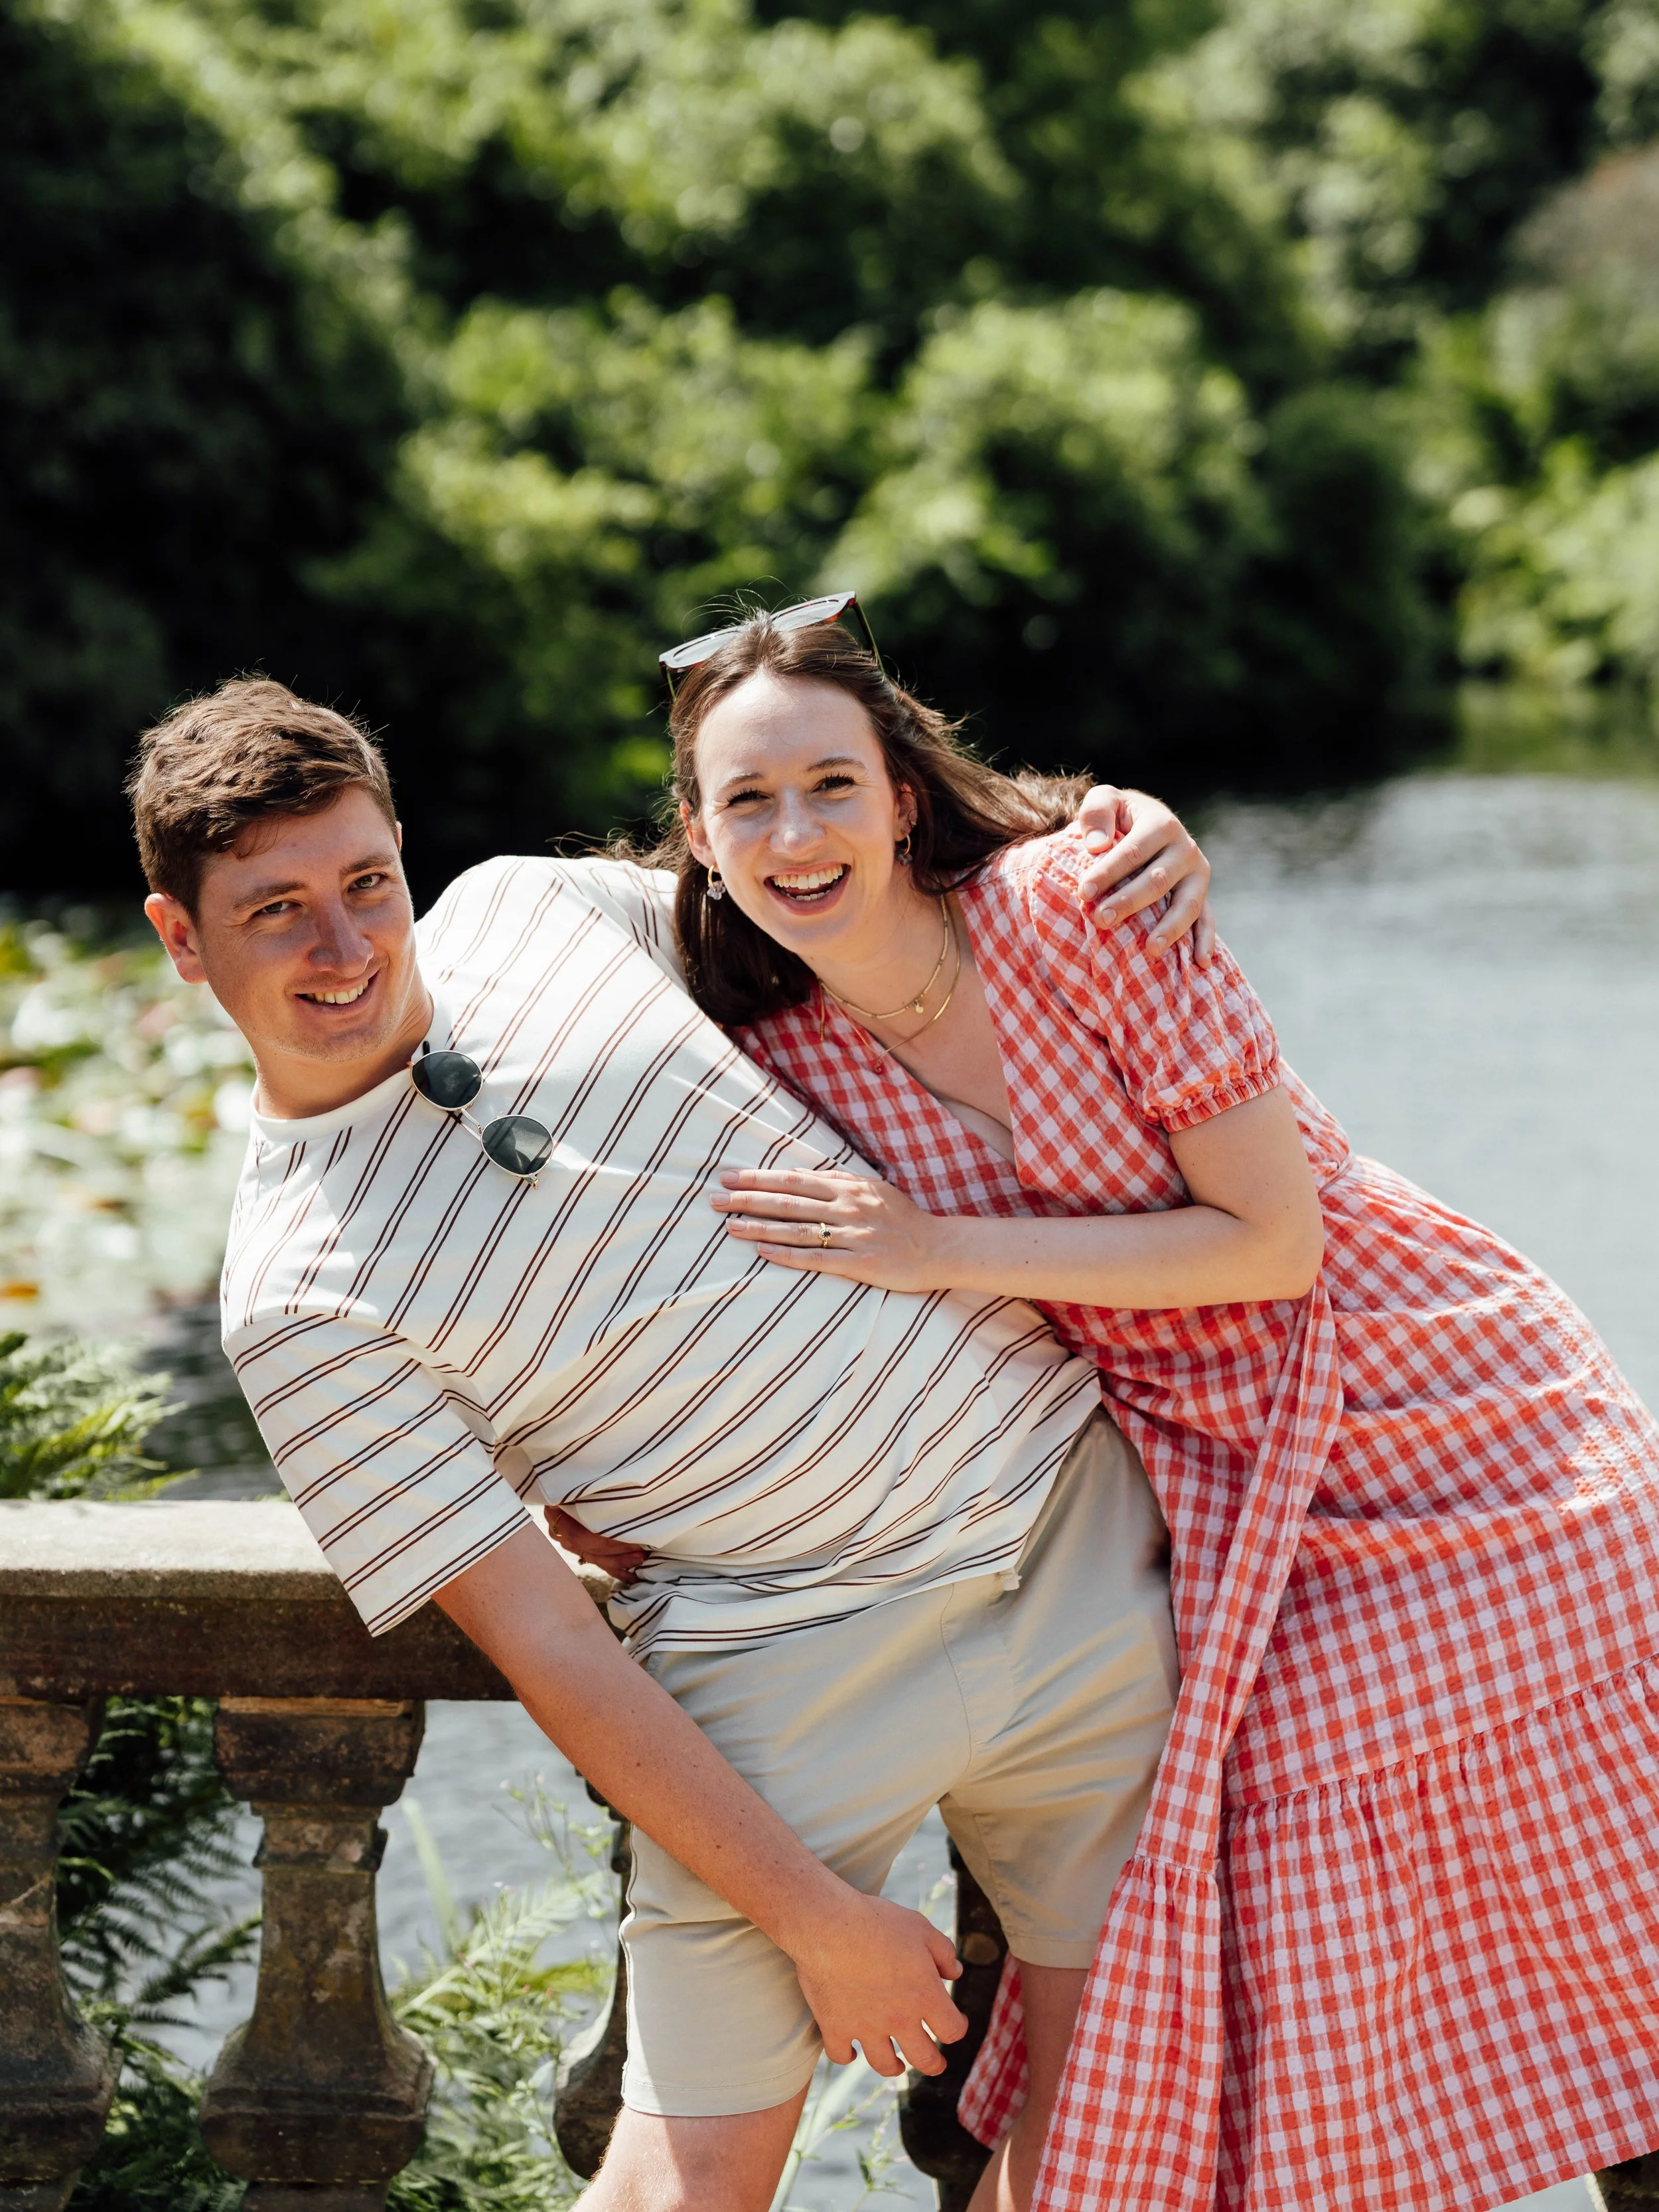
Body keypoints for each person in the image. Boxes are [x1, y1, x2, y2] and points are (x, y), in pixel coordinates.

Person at [128, 677, 1215, 2212]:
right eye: (276, 910)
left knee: (1111, 2148)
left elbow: (826, 872)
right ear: (182, 939)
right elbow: (553, 1651)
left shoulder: (527, 910)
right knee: (681, 2192)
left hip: (1078, 1550)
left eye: (367, 882)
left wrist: (1087, 828)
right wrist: (814, 1917)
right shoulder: (293, 1297)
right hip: (781, 1668)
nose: (345, 944)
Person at [621, 609, 1659, 2212]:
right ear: (694, 836)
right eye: (744, 803)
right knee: (1254, 1852)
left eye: (831, 784)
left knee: (1558, 1853)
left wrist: (929, 1247)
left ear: (902, 795)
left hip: (1419, 1388)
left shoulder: (1075, 909)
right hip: (1197, 1464)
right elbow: (512, 966)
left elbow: (1273, 1239)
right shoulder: (770, 1055)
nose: (793, 833)